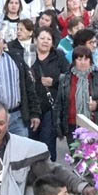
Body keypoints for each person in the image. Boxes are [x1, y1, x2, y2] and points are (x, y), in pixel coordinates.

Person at [55, 46, 98, 137]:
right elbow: (59, 104)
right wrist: (58, 127)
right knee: (75, 151)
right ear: (74, 61)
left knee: (93, 151)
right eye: (79, 59)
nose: (83, 62)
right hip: (72, 126)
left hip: (95, 125)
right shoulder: (65, 79)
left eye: (86, 59)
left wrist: (97, 104)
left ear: (90, 61)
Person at [28, 28, 68, 160]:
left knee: (48, 143)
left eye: (48, 39)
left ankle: (50, 174)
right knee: (31, 143)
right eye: (42, 38)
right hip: (31, 106)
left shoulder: (58, 56)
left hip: (51, 107)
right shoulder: (28, 55)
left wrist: (55, 81)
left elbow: (68, 76)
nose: (45, 42)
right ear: (35, 40)